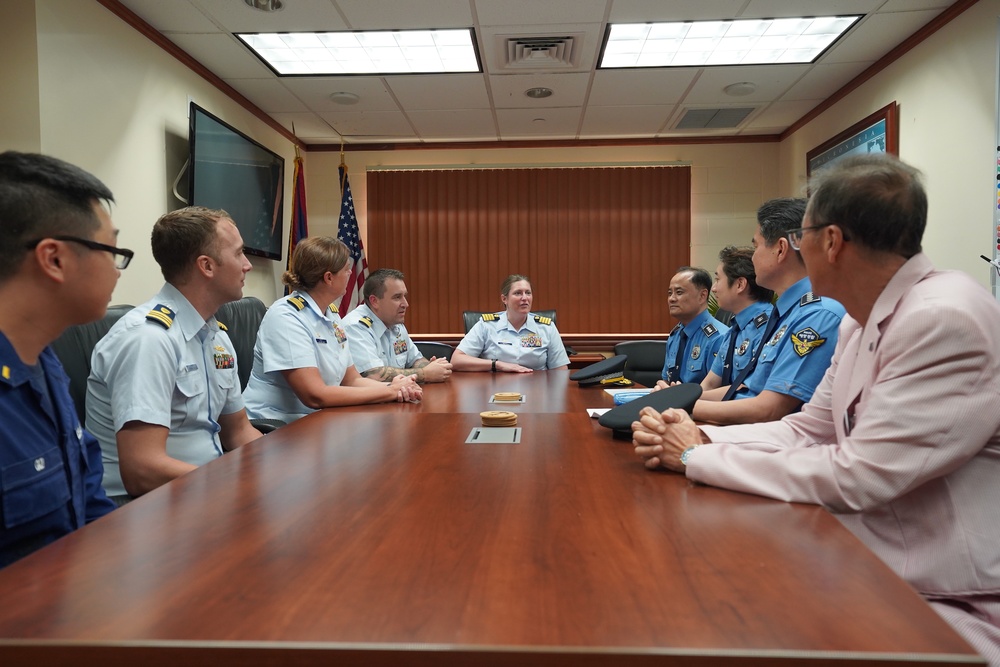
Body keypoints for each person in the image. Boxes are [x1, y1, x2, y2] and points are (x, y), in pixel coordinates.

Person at [632, 154, 1000, 665]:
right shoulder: (860, 320)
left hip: (950, 601)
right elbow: (807, 429)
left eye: (803, 235)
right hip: (876, 561)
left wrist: (697, 458)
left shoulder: (941, 318)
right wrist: (696, 436)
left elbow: (859, 475)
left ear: (829, 241)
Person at [87, 206, 262, 503]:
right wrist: (232, 486)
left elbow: (238, 432)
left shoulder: (215, 335)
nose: (248, 265)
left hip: (205, 491)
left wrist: (282, 467)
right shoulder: (149, 339)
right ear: (206, 266)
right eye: (238, 254)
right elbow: (142, 470)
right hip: (145, 507)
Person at [0, 151, 123, 565]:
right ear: (54, 259)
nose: (118, 269)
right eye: (111, 249)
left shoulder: (42, 359)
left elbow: (87, 504)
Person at [676, 199, 845, 425]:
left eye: (756, 246)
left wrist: (677, 405)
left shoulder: (816, 315)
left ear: (781, 249)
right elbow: (745, 390)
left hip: (770, 442)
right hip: (745, 431)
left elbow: (770, 410)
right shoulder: (784, 314)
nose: (753, 256)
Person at [243, 237, 422, 422]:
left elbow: (351, 380)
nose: (351, 273)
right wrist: (389, 393)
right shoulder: (286, 317)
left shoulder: (332, 315)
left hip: (317, 420)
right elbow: (314, 395)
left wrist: (397, 388)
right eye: (346, 269)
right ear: (329, 278)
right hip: (277, 424)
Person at [341, 268, 452, 383]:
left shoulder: (395, 324)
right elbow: (373, 375)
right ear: (374, 301)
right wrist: (424, 373)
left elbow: (415, 359)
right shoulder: (355, 327)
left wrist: (431, 366)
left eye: (405, 296)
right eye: (397, 297)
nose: (405, 304)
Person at [452, 274, 569, 372]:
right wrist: (497, 364)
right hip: (495, 389)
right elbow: (457, 360)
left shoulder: (546, 327)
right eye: (518, 293)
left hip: (537, 390)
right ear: (504, 299)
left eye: (528, 293)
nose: (525, 298)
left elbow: (560, 370)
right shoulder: (486, 325)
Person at [698, 246, 773, 393]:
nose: (713, 288)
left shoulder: (769, 327)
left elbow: (747, 392)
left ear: (740, 285)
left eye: (718, 279)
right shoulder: (735, 328)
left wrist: (685, 401)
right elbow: (710, 383)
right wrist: (680, 397)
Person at [660, 267, 728, 385]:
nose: (671, 299)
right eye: (670, 293)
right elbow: (666, 380)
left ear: (702, 296)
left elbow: (717, 389)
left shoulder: (718, 337)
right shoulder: (676, 335)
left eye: (679, 292)